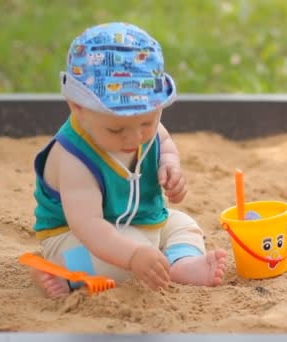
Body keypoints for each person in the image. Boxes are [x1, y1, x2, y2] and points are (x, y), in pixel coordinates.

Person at [31, 22, 227, 298]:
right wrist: (133, 255)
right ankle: (60, 269)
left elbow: (164, 141)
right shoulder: (74, 158)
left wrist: (169, 165)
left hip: (138, 220)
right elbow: (88, 225)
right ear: (78, 108)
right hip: (79, 238)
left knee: (182, 224)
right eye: (116, 129)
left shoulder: (144, 128)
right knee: (118, 264)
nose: (134, 138)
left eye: (146, 123)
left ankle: (181, 263)